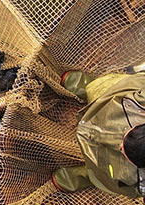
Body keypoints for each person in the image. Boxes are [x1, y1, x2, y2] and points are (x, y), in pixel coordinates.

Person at [51, 68, 145, 197]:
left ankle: (88, 176)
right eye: (129, 136)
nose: (121, 146)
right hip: (111, 98)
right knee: (99, 88)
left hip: (112, 166)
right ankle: (88, 86)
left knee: (105, 177)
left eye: (125, 151)